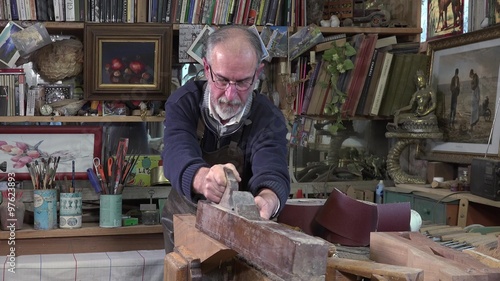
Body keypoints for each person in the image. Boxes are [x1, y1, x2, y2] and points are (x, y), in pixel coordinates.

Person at [160, 25, 290, 253]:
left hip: (242, 231)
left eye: (242, 82)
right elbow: (175, 152)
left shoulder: (268, 117)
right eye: (222, 80)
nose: (230, 96)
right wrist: (202, 179)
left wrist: (268, 201)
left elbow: (272, 169)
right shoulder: (184, 102)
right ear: (207, 68)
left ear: (257, 73)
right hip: (185, 224)